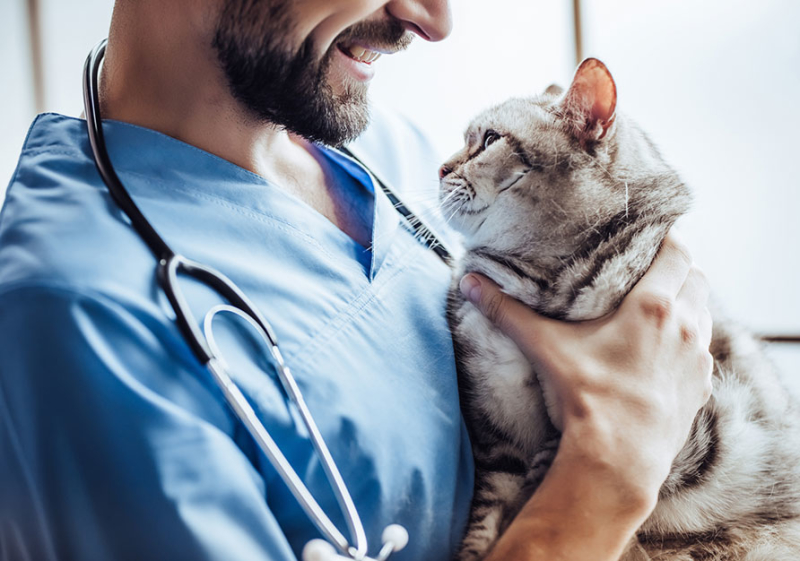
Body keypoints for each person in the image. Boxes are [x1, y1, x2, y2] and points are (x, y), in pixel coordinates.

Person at [0, 0, 713, 559]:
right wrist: (607, 475)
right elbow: (609, 452)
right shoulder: (74, 322)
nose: (434, 20)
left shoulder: (382, 149)